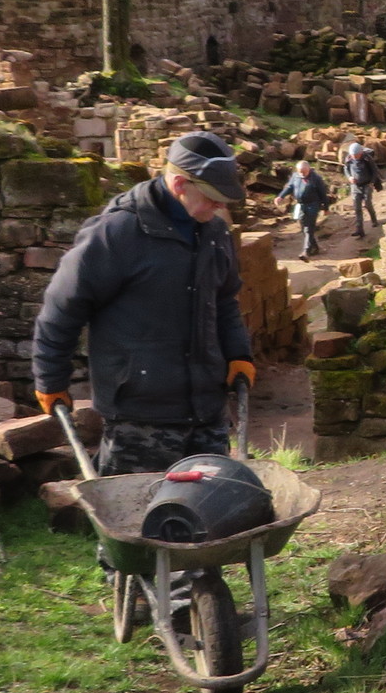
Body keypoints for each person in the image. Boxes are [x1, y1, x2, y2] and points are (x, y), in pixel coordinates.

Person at [31, 130, 256, 479]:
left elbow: (223, 300)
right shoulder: (117, 233)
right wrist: (50, 379)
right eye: (213, 197)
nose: (220, 207)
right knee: (138, 507)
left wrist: (238, 354)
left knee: (211, 507)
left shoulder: (214, 232)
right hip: (140, 418)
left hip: (207, 411)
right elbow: (62, 308)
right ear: (179, 184)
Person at [279, 158, 331, 259]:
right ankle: (315, 247)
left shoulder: (316, 179)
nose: (302, 174)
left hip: (313, 205)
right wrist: (281, 196)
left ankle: (306, 251)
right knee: (303, 227)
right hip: (300, 205)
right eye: (300, 172)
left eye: (304, 172)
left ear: (309, 170)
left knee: (309, 228)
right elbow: (290, 187)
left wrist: (326, 208)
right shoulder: (295, 176)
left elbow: (323, 194)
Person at [341, 134, 381, 237]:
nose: (354, 157)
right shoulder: (349, 159)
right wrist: (349, 177)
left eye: (356, 155)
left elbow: (374, 171)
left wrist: (372, 183)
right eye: (353, 155)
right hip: (355, 186)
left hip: (367, 184)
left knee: (367, 204)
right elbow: (346, 169)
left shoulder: (367, 159)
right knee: (357, 207)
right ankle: (359, 230)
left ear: (360, 153)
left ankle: (374, 220)